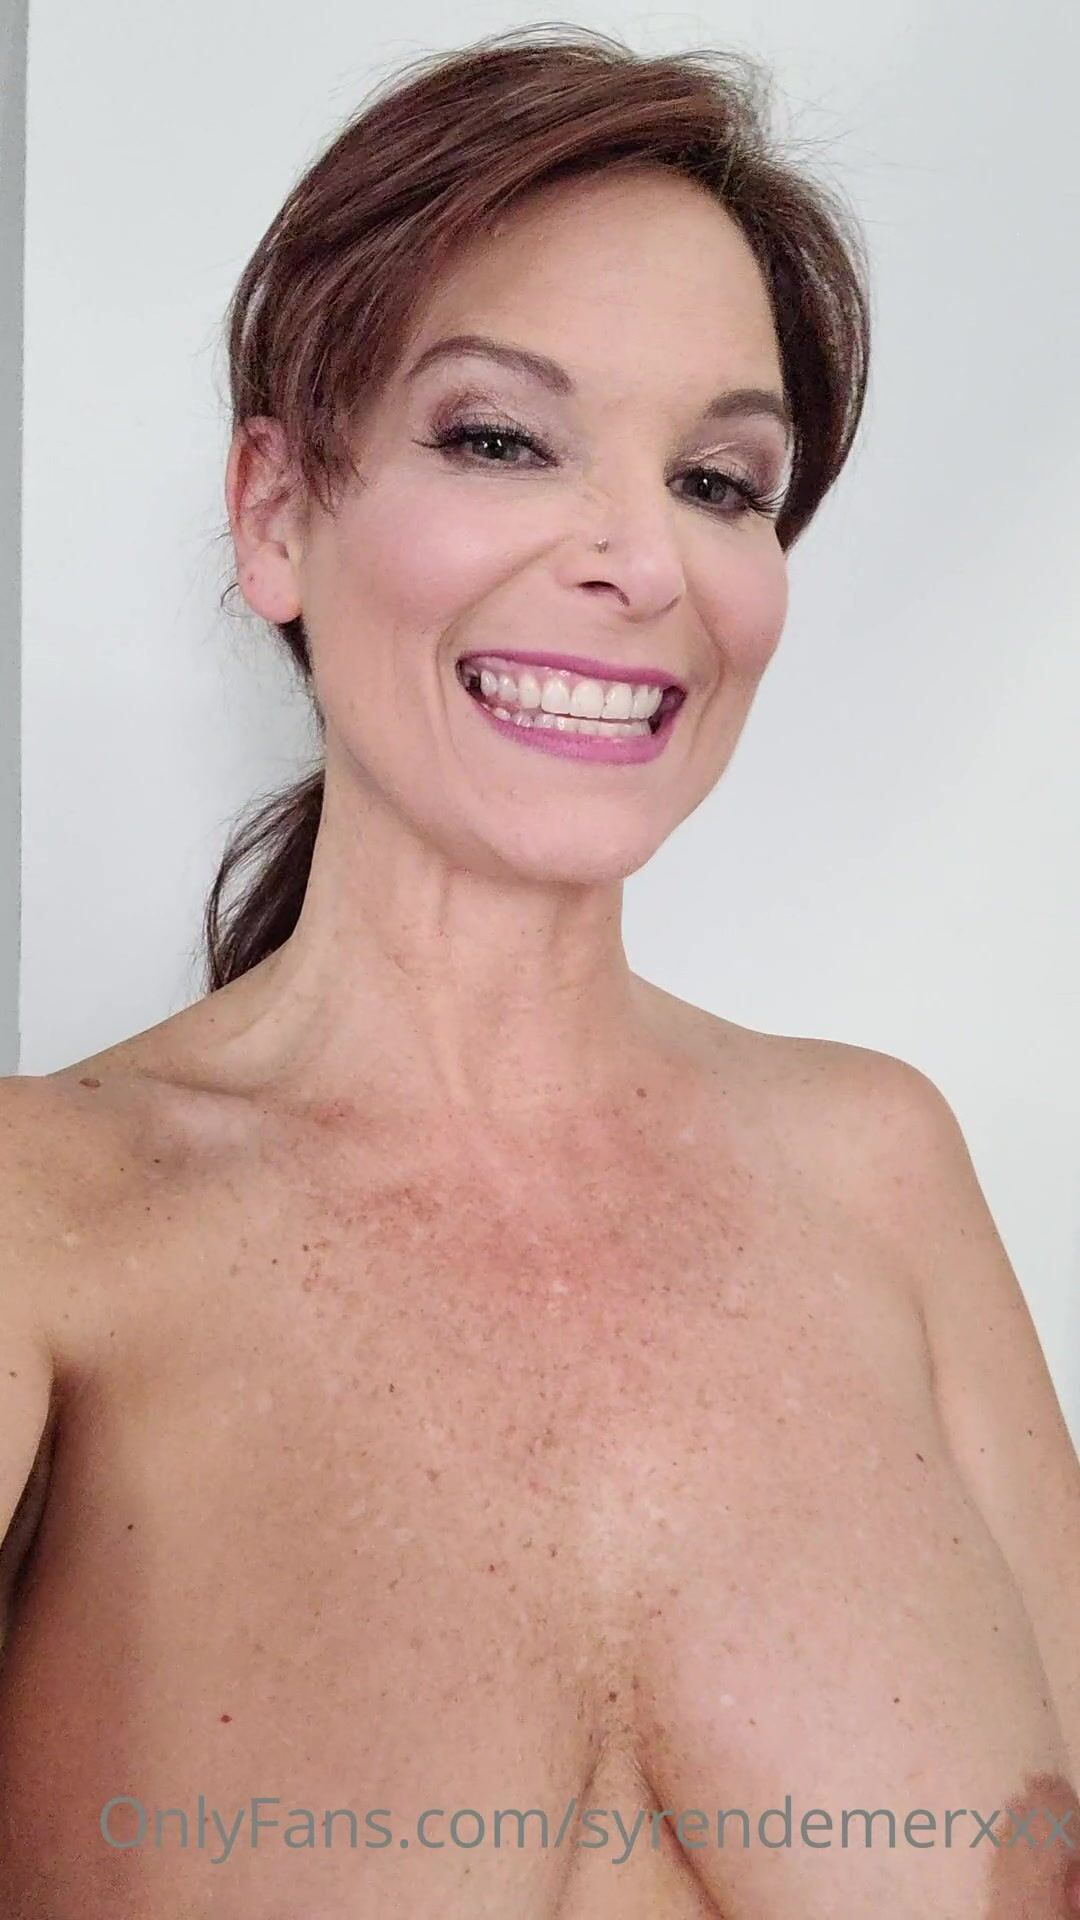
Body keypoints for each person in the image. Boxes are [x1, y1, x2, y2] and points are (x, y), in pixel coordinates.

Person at [1, 24, 1077, 1919]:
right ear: (276, 514)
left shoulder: (884, 1169)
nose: (643, 559)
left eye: (722, 481)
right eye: (500, 439)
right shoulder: (44, 1218)